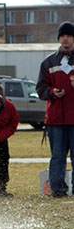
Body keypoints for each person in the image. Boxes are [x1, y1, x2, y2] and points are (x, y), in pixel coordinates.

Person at [36, 21, 74, 198]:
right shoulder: (48, 62)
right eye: (62, 36)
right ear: (59, 38)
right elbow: (40, 89)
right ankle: (58, 190)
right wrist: (52, 92)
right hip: (56, 119)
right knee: (57, 156)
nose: (65, 39)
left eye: (68, 35)